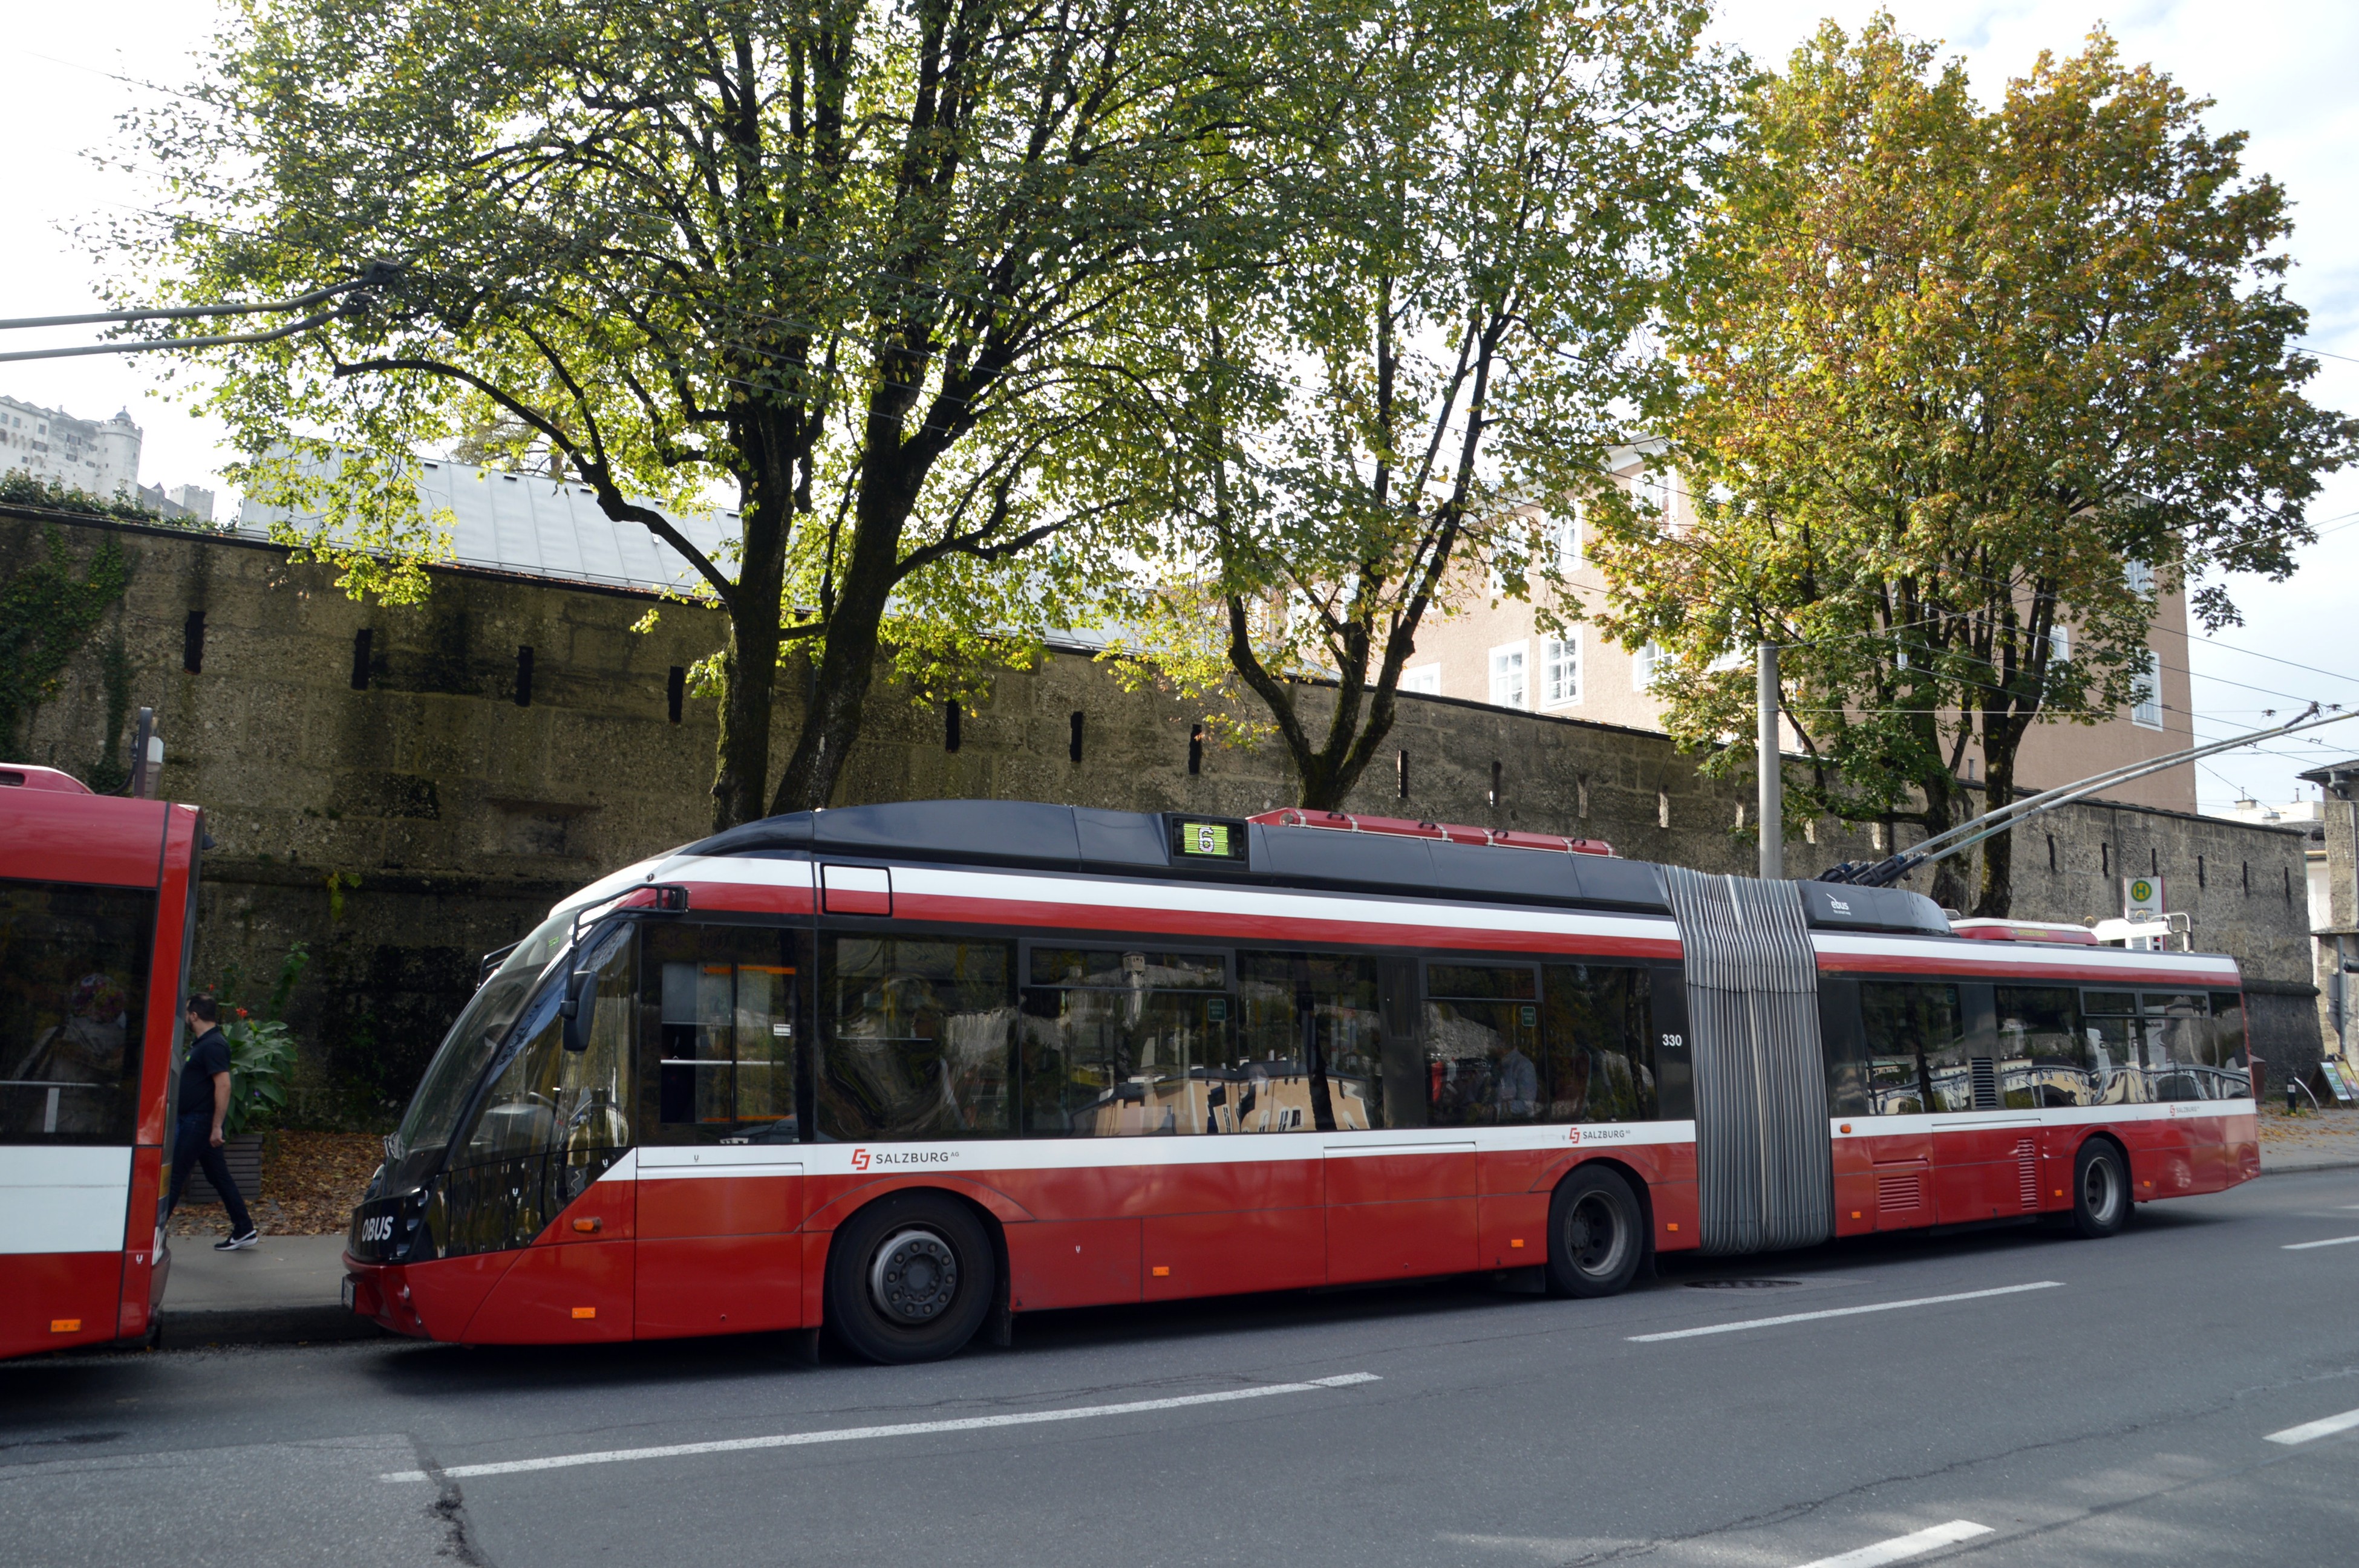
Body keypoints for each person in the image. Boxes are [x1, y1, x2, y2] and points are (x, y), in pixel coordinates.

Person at [167, 994, 258, 1251]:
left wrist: (217, 1126)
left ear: (194, 1016)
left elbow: (224, 1085)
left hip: (199, 1121)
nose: (186, 1017)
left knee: (175, 1175)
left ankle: (152, 1233)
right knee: (218, 1175)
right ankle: (244, 1229)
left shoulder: (214, 1045)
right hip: (196, 1120)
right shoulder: (203, 1044)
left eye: (187, 1012)